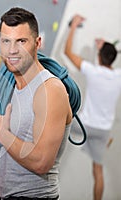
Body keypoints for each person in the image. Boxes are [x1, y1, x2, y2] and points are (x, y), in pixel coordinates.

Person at [0, 7, 73, 199]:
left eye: (21, 41)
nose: (12, 50)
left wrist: (1, 133)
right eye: (6, 41)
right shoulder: (13, 86)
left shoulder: (49, 90)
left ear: (37, 43)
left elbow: (42, 161)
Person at [64, 14, 121, 200]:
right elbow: (107, 60)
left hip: (84, 126)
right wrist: (105, 48)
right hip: (103, 130)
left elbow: (67, 52)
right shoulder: (118, 76)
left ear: (98, 56)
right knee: (98, 171)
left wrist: (73, 26)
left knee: (58, 120)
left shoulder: (93, 71)